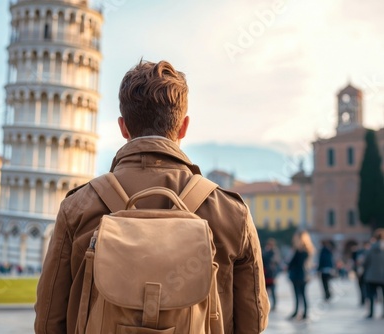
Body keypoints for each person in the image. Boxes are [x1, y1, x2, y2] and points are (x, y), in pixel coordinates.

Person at [34, 60, 270, 333]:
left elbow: (49, 317)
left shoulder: (78, 207)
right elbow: (254, 320)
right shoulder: (231, 212)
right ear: (183, 127)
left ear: (123, 128)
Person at [287, 230, 315, 320]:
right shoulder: (308, 249)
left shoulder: (298, 250)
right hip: (304, 274)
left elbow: (293, 263)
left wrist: (288, 265)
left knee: (297, 295)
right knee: (303, 294)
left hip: (296, 274)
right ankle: (304, 312)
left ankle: (297, 312)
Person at [363, 228, 384, 319]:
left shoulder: (371, 248)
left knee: (371, 295)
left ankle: (371, 313)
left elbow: (366, 262)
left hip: (371, 275)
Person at [262, 238, 281, 311]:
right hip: (266, 274)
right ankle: (266, 304)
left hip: (271, 275)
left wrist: (275, 275)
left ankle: (274, 305)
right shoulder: (266, 252)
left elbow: (275, 263)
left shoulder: (274, 252)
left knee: (273, 291)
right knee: (266, 291)